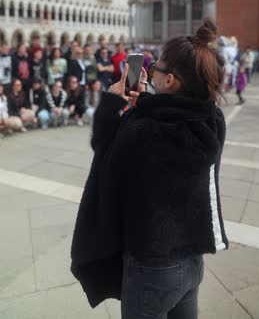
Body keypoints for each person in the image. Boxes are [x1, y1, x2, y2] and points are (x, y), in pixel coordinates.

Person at [71, 18, 229, 319]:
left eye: (156, 66)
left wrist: (111, 104)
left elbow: (104, 152)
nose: (152, 69)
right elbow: (175, 115)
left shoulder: (142, 130)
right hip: (192, 259)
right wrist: (145, 102)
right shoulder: (212, 120)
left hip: (152, 266)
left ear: (169, 80)